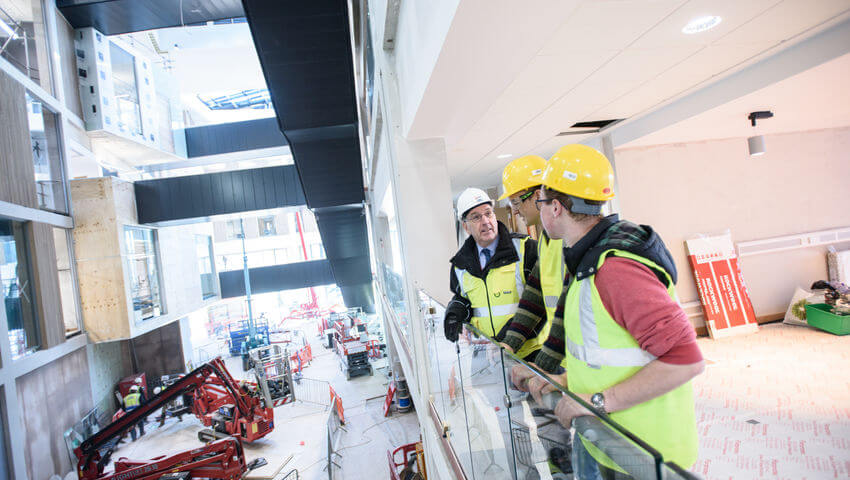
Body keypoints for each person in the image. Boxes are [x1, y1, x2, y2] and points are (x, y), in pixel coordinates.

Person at [502, 144, 703, 474]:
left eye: (539, 201)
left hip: (647, 454)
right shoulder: (587, 260)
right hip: (614, 441)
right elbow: (608, 353)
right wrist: (566, 380)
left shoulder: (616, 269)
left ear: (555, 208)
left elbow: (686, 360)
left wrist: (598, 402)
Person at [444, 187, 539, 360]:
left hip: (529, 355)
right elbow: (463, 297)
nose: (486, 221)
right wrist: (454, 311)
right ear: (465, 226)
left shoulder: (526, 249)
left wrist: (509, 337)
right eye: (476, 217)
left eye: (488, 213)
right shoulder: (460, 265)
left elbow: (540, 303)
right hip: (487, 355)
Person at [498, 154, 566, 360]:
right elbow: (534, 295)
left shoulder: (568, 240)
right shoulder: (546, 240)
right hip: (564, 362)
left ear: (538, 196)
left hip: (581, 369)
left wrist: (547, 362)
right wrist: (509, 344)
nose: (515, 211)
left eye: (517, 202)